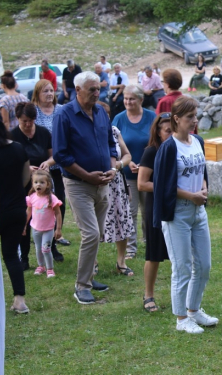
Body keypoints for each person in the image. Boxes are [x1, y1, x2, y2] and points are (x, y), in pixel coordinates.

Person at [153, 96, 218, 334]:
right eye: (190, 117)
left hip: (198, 211)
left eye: (195, 115)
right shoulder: (169, 147)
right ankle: (181, 319)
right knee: (182, 267)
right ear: (176, 118)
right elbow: (163, 187)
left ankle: (194, 310)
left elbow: (201, 170)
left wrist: (203, 188)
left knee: (204, 265)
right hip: (177, 214)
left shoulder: (197, 141)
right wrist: (191, 196)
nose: (194, 120)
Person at [52, 71, 118, 305]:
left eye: (98, 89)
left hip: (103, 182)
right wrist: (87, 176)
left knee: (97, 234)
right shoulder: (64, 115)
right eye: (91, 89)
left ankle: (89, 277)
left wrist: (112, 168)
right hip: (79, 184)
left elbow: (111, 143)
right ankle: (81, 287)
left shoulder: (101, 112)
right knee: (90, 233)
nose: (96, 93)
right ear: (77, 90)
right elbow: (60, 154)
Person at [112, 84, 156, 259]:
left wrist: (145, 163)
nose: (128, 102)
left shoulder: (152, 117)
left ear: (140, 100)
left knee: (149, 210)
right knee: (130, 211)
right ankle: (131, 248)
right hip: (127, 174)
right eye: (125, 98)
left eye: (131, 98)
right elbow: (113, 145)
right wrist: (126, 162)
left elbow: (158, 142)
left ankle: (149, 241)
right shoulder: (118, 119)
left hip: (149, 173)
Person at [10, 102, 55, 270]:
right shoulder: (12, 136)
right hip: (22, 183)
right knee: (25, 217)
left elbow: (53, 156)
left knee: (47, 215)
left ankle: (52, 248)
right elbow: (8, 161)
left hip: (43, 183)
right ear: (18, 119)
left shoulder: (43, 133)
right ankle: (24, 256)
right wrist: (25, 167)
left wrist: (47, 162)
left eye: (31, 120)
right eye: (24, 121)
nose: (28, 124)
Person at [138, 113, 172, 312]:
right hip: (156, 207)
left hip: (176, 205)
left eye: (173, 130)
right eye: (168, 131)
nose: (171, 134)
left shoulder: (179, 149)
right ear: (158, 133)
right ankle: (148, 295)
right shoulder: (151, 151)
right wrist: (167, 188)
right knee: (154, 254)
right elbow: (142, 184)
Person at [32, 79, 68, 257]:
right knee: (38, 205)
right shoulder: (34, 112)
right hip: (39, 167)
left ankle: (53, 243)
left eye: (52, 90)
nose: (49, 94)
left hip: (58, 165)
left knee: (58, 203)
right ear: (37, 93)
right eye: (45, 91)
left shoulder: (61, 110)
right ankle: (38, 241)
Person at [0, 118, 31, 314]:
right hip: (15, 209)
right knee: (11, 255)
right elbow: (26, 177)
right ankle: (20, 300)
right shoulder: (18, 148)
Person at [101, 125, 135, 276]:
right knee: (93, 223)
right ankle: (93, 263)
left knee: (122, 220)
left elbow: (127, 155)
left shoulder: (114, 131)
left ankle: (121, 262)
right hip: (95, 181)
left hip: (116, 183)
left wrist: (119, 165)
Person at [23, 169, 62, 278]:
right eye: (36, 182)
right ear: (32, 184)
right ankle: (41, 266)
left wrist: (58, 229)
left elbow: (58, 214)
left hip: (48, 230)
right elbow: (28, 211)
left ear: (48, 184)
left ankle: (49, 269)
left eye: (42, 182)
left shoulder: (52, 198)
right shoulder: (32, 197)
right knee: (38, 249)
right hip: (36, 229)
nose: (38, 185)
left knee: (46, 249)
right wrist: (24, 225)